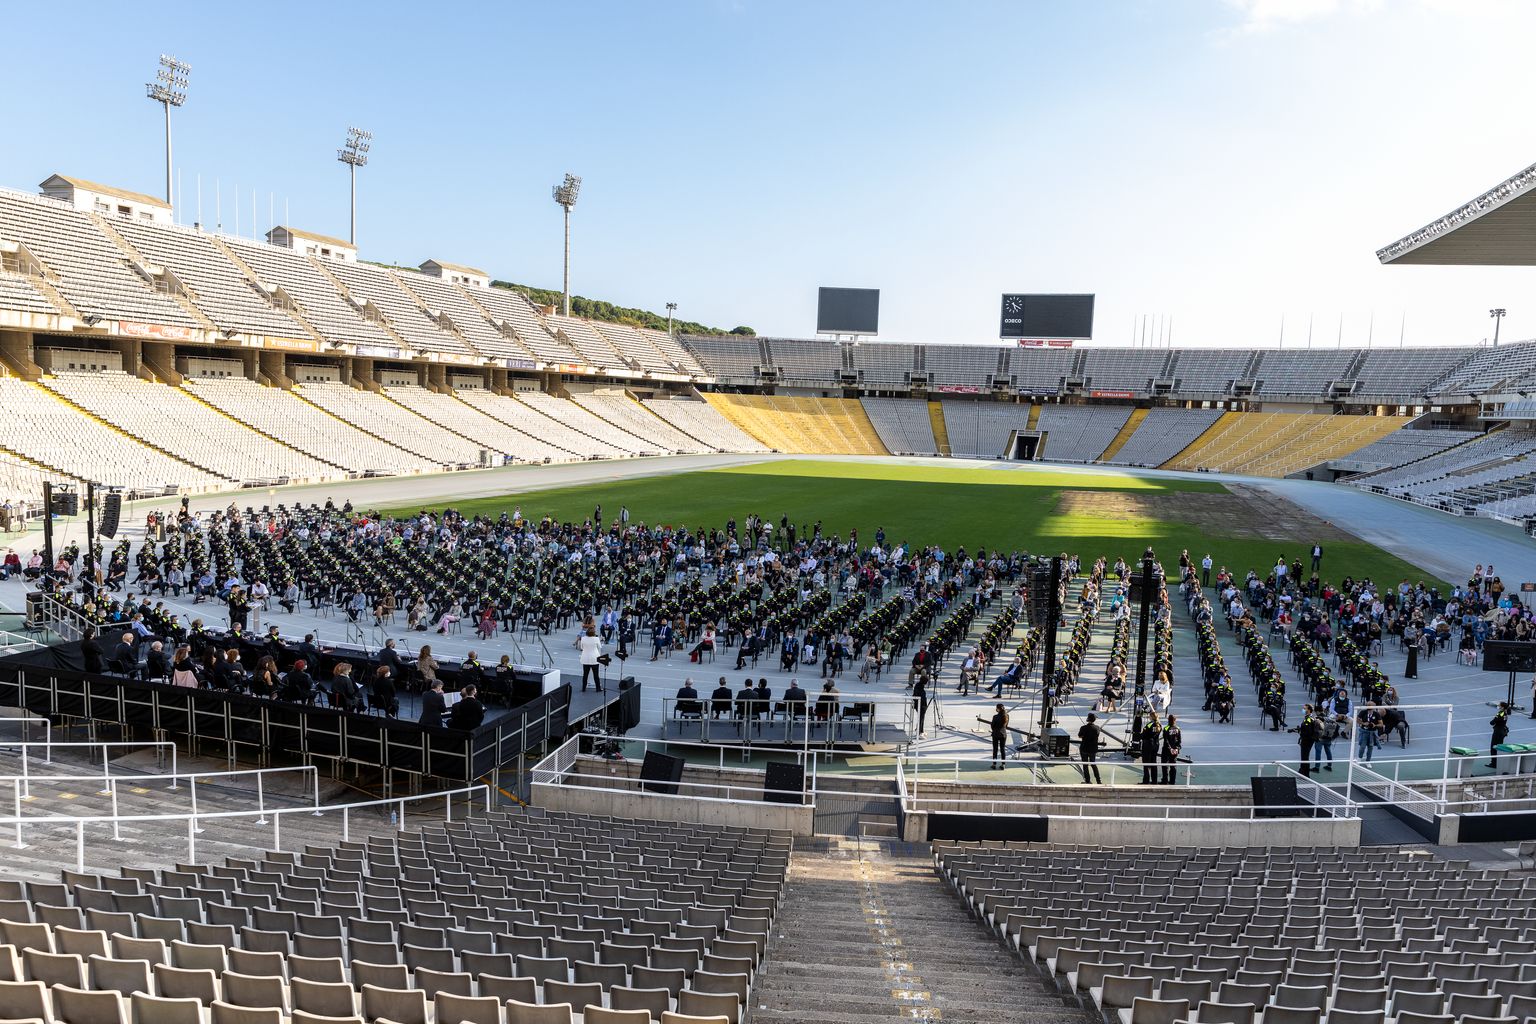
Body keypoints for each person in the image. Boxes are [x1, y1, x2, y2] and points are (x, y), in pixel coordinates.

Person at [576, 626, 604, 692]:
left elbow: (582, 647)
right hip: (594, 658)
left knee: (585, 674)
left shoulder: (583, 638)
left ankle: (583, 688)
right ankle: (598, 688)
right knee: (596, 675)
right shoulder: (596, 639)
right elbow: (599, 647)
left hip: (585, 658)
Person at [1078, 712, 1103, 784]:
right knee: (1093, 764)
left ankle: (1087, 781)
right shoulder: (1097, 728)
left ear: (1088, 720)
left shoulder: (1083, 728)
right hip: (1093, 748)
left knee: (1085, 765)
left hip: (1084, 748)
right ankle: (1098, 780)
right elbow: (1097, 734)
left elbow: (1080, 736)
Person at [1296, 705, 1320, 777]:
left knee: (1305, 756)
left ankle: (1306, 774)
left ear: (1309, 710)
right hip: (1309, 740)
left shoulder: (1308, 719)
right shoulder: (1310, 718)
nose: (1303, 709)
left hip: (1307, 740)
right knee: (1304, 756)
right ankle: (1302, 770)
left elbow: (1307, 732)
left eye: (1304, 708)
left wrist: (1300, 732)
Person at [1488, 702, 1512, 769]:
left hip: (1498, 732)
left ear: (1502, 707)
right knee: (1499, 747)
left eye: (1499, 705)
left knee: (1494, 747)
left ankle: (1494, 763)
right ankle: (1497, 762)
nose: (1498, 706)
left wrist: (1492, 722)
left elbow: (1493, 722)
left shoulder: (1500, 713)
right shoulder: (1505, 713)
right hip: (1502, 732)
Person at [1140, 714, 1162, 784]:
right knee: (1153, 762)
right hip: (1156, 745)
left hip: (1148, 745)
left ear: (1151, 717)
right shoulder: (1159, 725)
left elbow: (1143, 735)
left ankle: (1146, 781)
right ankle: (1154, 780)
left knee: (1146, 763)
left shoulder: (1149, 725)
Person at [1160, 715, 1182, 784]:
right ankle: (1172, 781)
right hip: (1175, 750)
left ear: (1168, 720)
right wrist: (1177, 748)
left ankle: (1165, 780)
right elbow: (1179, 740)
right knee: (1173, 765)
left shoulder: (1166, 728)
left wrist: (1170, 748)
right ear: (1175, 720)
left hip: (1167, 750)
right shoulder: (1178, 728)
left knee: (1164, 765)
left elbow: (1166, 740)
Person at [987, 703, 1009, 770]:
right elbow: (1006, 726)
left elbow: (992, 726)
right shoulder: (1007, 716)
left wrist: (995, 730)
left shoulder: (995, 717)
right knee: (1002, 749)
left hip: (996, 734)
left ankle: (994, 764)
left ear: (998, 709)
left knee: (995, 749)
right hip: (1003, 734)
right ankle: (1003, 764)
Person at [911, 672, 930, 736]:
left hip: (918, 704)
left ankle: (921, 730)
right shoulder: (921, 688)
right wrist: (925, 706)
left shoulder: (917, 685)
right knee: (921, 718)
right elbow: (922, 698)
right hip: (921, 705)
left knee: (921, 718)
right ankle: (920, 732)